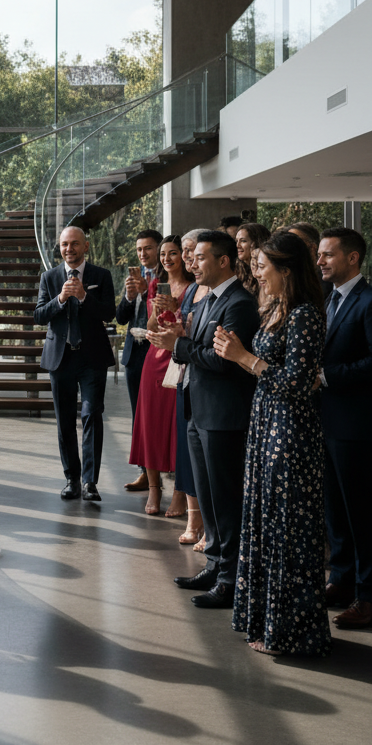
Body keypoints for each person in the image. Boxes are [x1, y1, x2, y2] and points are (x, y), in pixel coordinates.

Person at [214, 232, 331, 656]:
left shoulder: (304, 315)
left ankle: (292, 630)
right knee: (265, 523)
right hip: (267, 425)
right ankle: (265, 620)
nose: (257, 273)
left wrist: (244, 357)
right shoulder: (277, 310)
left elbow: (299, 384)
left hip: (290, 434)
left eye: (263, 266)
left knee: (287, 529)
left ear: (286, 270)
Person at [150, 230, 260, 609]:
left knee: (226, 500)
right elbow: (201, 349)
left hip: (223, 414)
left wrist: (178, 346)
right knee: (209, 497)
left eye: (200, 257)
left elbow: (224, 360)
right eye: (191, 256)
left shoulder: (239, 304)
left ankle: (231, 578)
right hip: (198, 408)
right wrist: (181, 335)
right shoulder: (208, 298)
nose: (192, 263)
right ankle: (214, 564)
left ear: (224, 260)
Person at [34, 226, 116, 502]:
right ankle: (72, 479)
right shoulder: (49, 277)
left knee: (92, 414)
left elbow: (109, 313)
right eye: (65, 245)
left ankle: (90, 482)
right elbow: (39, 316)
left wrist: (83, 296)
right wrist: (61, 299)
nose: (69, 249)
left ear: (86, 246)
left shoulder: (101, 276)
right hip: (61, 358)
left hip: (92, 358)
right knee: (65, 421)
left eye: (75, 244)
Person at [317, 227, 372, 628]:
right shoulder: (326, 299)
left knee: (362, 514)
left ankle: (368, 597)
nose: (320, 261)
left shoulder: (369, 302)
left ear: (352, 258)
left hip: (357, 425)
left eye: (328, 255)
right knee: (335, 509)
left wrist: (328, 375)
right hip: (326, 420)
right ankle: (341, 579)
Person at [129, 235, 194, 516]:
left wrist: (174, 309)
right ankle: (154, 489)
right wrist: (158, 309)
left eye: (173, 253)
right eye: (164, 254)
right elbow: (152, 326)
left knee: (176, 426)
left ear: (184, 257)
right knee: (151, 424)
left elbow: (190, 328)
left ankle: (180, 493)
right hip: (153, 359)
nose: (167, 259)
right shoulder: (156, 284)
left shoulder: (194, 288)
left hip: (179, 359)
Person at [115, 229, 162, 492]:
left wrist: (147, 294)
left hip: (157, 353)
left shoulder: (165, 278)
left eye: (148, 248)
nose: (143, 254)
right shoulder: (132, 279)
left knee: (159, 414)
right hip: (134, 353)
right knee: (138, 415)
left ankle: (165, 471)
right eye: (139, 250)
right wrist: (130, 296)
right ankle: (144, 472)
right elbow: (121, 318)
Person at [174, 231, 208, 548]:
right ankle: (192, 517)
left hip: (206, 381)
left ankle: (207, 525)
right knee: (187, 451)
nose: (187, 259)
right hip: (185, 377)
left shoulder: (217, 293)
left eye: (192, 252)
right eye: (185, 252)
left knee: (205, 456)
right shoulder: (192, 290)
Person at [235, 222, 271, 297]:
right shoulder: (238, 268)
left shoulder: (268, 269)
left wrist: (254, 257)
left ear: (256, 243)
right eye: (236, 241)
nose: (237, 245)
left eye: (243, 241)